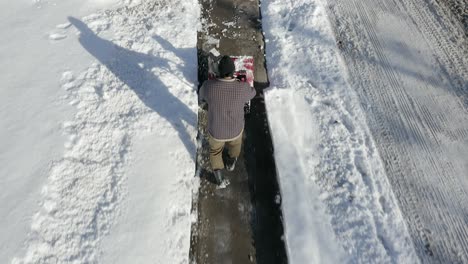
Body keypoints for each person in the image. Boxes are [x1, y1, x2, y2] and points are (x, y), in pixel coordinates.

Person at [199, 55, 256, 184]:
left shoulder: (209, 86)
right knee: (235, 145)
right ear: (233, 72)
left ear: (218, 71)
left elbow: (201, 96)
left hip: (216, 132)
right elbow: (252, 93)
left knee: (215, 152)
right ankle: (231, 162)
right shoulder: (242, 88)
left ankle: (219, 179)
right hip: (235, 130)